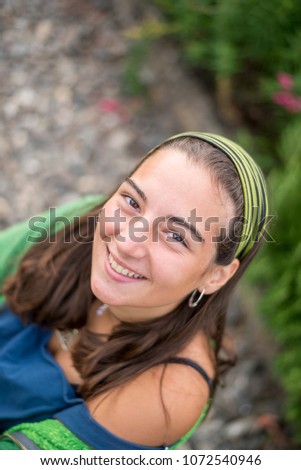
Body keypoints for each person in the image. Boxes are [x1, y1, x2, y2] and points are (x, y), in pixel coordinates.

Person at [0, 131, 269, 450]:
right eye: (131, 201)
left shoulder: (167, 394)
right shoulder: (86, 219)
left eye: (176, 236)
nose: (127, 242)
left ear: (215, 276)